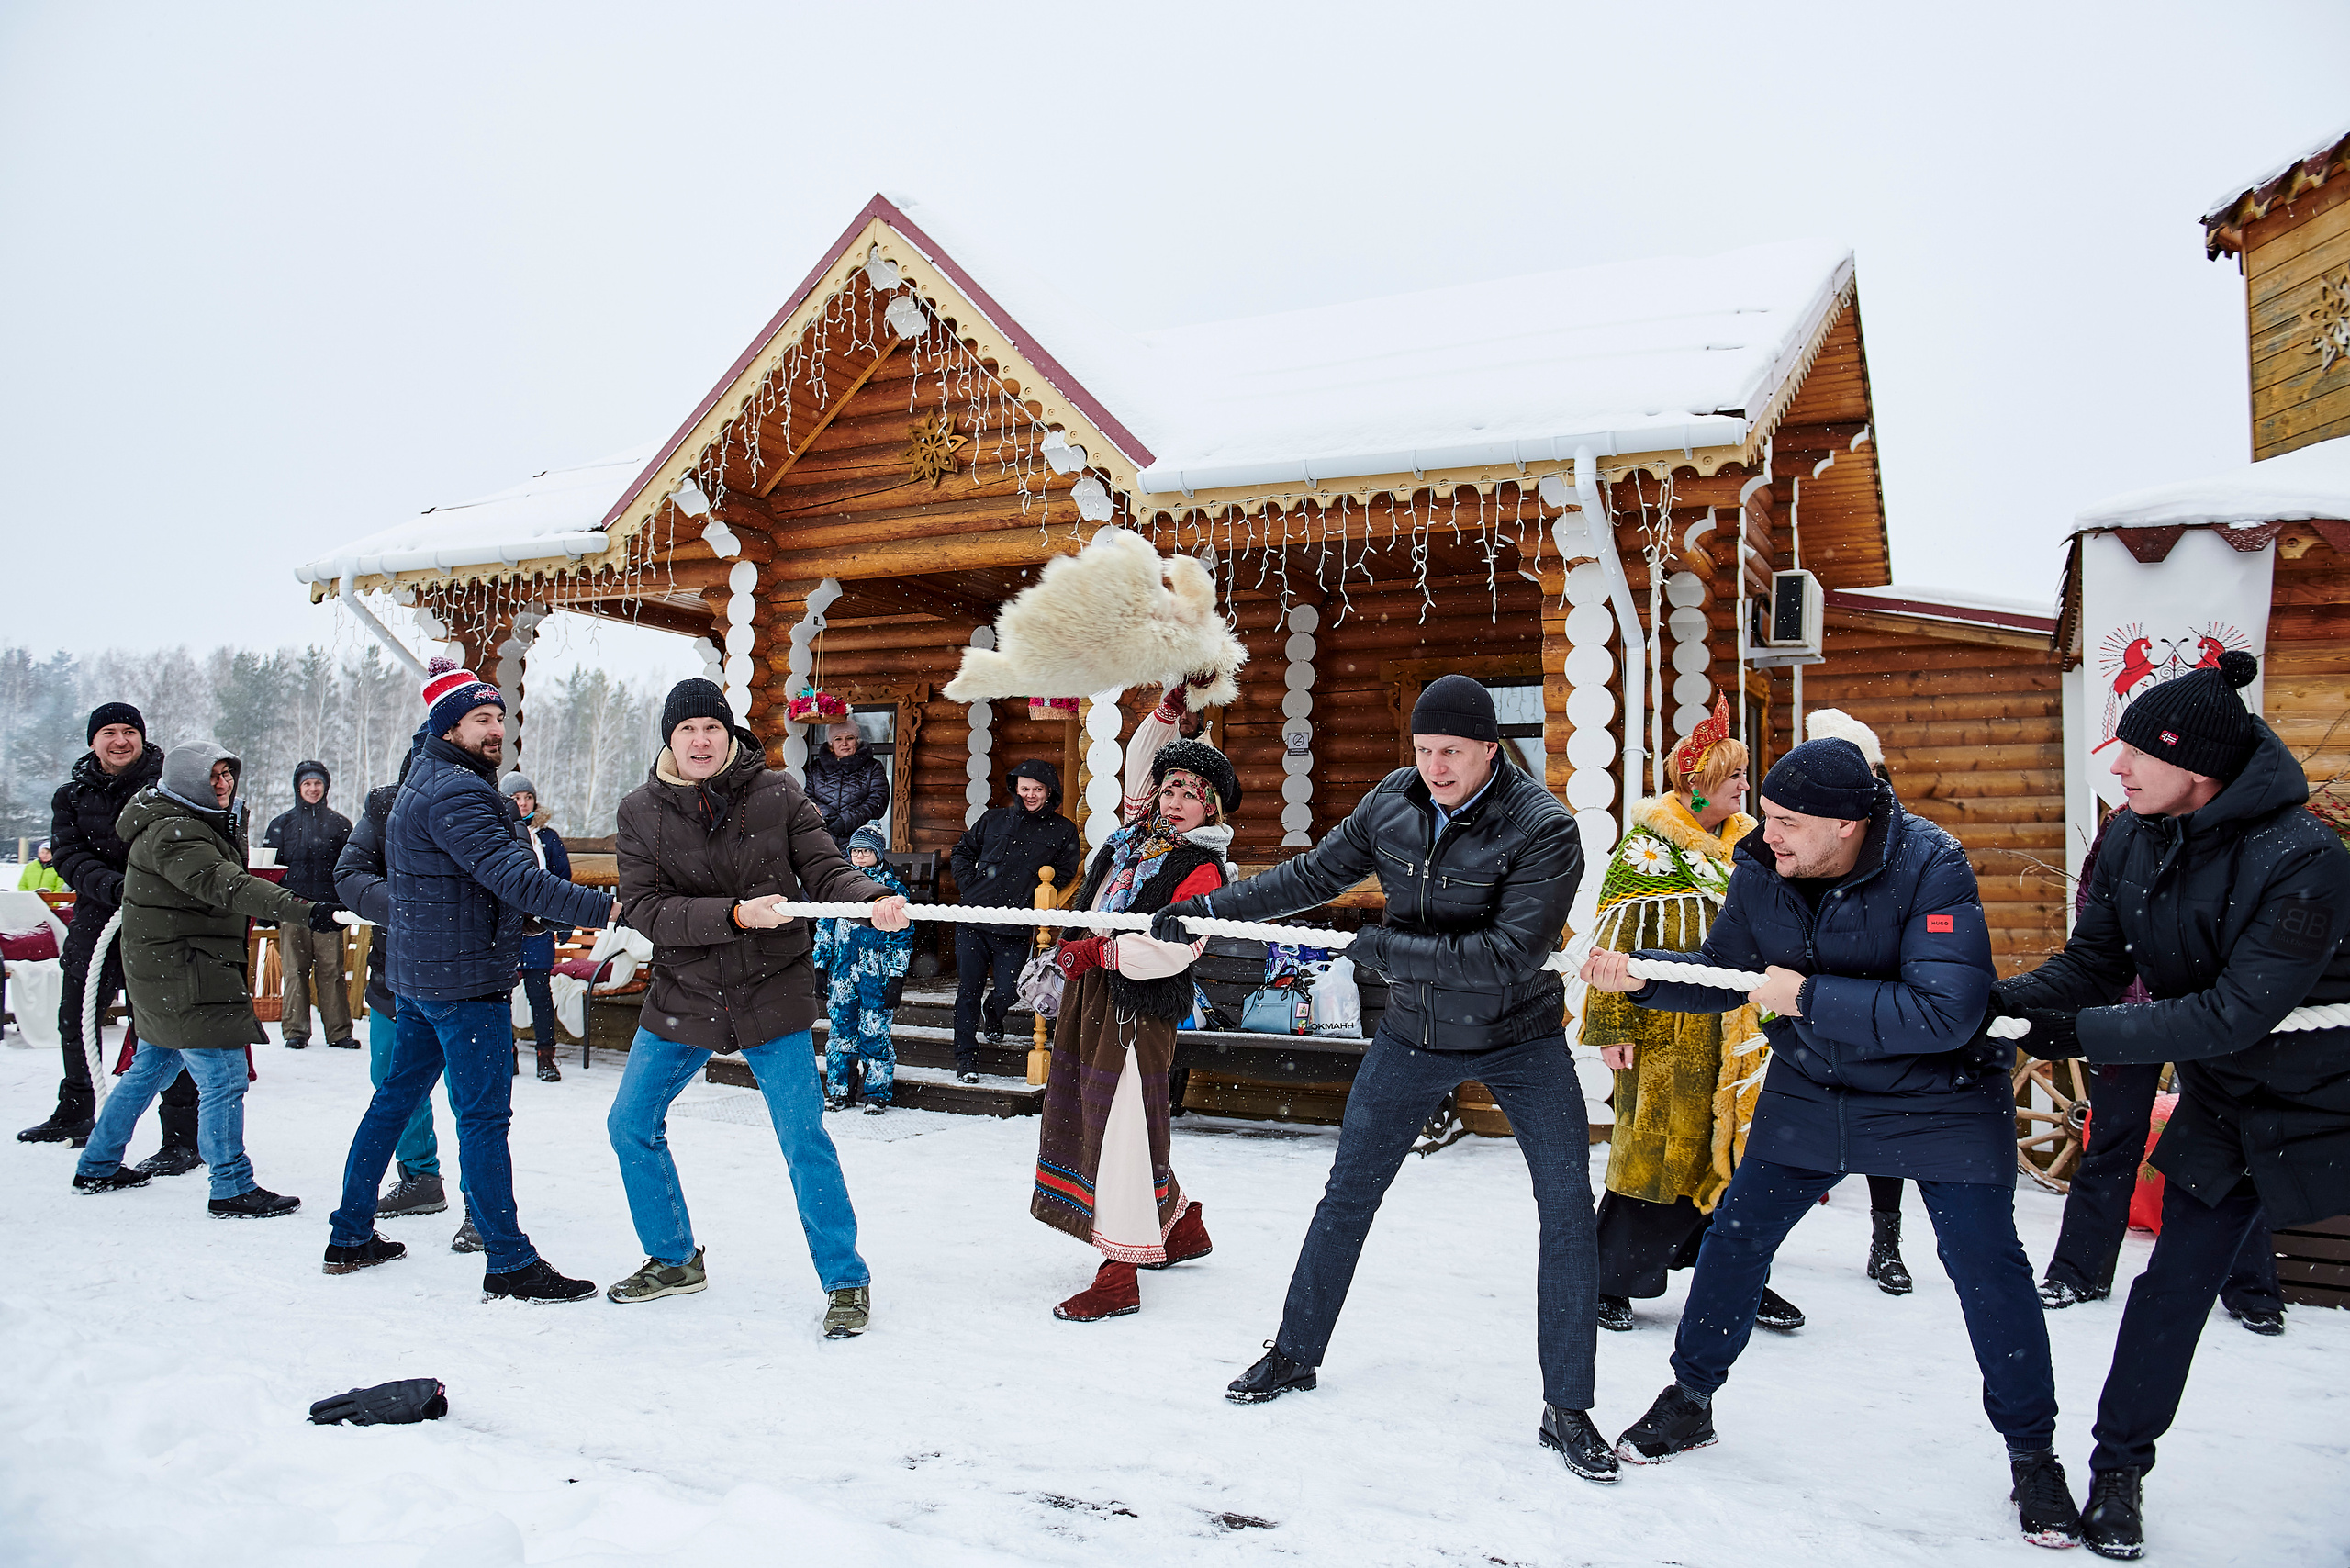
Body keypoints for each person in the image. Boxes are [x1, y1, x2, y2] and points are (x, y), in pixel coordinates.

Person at [1582, 736, 2080, 1547]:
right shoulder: (1762, 865)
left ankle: (2033, 1455)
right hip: (1816, 1085)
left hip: (1940, 1094)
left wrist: (1808, 995)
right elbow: (1727, 970)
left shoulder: (1931, 865)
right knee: (1735, 1239)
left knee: (1987, 1269)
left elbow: (1945, 1012)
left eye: (1784, 821)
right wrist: (1640, 975)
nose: (1763, 831)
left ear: (1847, 825)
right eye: (1765, 814)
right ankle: (1690, 1399)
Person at [1158, 675, 1611, 1483]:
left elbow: (1507, 955)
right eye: (1425, 750)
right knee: (1348, 1194)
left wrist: (1377, 951)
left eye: (1453, 753)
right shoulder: (1393, 801)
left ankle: (1568, 1408)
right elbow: (1308, 878)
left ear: (1490, 750)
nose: (1435, 767)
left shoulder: (1545, 828)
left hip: (1520, 1038)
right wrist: (1210, 909)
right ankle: (1294, 1354)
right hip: (1412, 1036)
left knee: (1568, 1210)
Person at [1986, 652, 2349, 1560]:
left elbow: (2230, 1013)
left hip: (2326, 1098)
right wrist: (2002, 1005)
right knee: (2172, 1287)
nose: (2117, 765)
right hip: (2229, 1102)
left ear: (2199, 768)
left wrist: (2066, 1038)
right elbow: (2092, 967)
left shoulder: (2303, 858)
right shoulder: (2131, 836)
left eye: (2138, 753)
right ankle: (2119, 1471)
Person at [604, 678, 909, 1330]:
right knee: (630, 1123)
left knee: (802, 1137)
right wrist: (736, 915)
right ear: (670, 739)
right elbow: (648, 908)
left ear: (729, 733)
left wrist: (869, 897)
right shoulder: (639, 811)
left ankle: (846, 1280)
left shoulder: (775, 793)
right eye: (686, 730)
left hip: (770, 989)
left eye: (710, 727)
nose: (700, 740)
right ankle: (673, 1257)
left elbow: (826, 870)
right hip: (685, 990)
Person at [321, 658, 616, 1299]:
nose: (494, 730)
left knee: (394, 1100)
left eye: (499, 719)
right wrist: (609, 907)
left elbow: (473, 885)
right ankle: (508, 1260)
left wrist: (521, 919)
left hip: (424, 979)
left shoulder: (426, 781)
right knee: (483, 1119)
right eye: (480, 718)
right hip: (463, 984)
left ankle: (349, 1234)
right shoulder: (458, 790)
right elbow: (512, 877)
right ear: (448, 726)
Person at [1580, 698, 1804, 1335]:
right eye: (1735, 776)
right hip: (1664, 1035)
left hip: (1740, 1035)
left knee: (1735, 1159)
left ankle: (1737, 1276)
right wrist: (1613, 1027)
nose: (1744, 786)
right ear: (1700, 782)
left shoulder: (1754, 849)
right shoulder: (1645, 850)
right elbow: (1611, 945)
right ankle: (1610, 1280)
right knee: (1653, 1156)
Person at [2035, 811, 2285, 1334]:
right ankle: (2078, 1273)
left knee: (2228, 1146)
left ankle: (2252, 1289)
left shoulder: (2230, 831)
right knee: (2110, 1143)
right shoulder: (2120, 834)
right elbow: (2094, 917)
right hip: (2128, 1015)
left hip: (2205, 1015)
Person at [1033, 680, 1231, 1323]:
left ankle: (1120, 1273)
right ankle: (1179, 1224)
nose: (1174, 800)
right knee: (1105, 1118)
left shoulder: (1203, 869)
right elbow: (1144, 752)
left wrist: (1096, 952)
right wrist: (1172, 703)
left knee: (1119, 1128)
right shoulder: (1134, 837)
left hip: (1136, 1007)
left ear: (1211, 811)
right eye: (1169, 788)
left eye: (1190, 795)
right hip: (1094, 999)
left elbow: (1175, 950)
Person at [72, 742, 332, 1216]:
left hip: (172, 969)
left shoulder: (192, 822)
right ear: (187, 780)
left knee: (150, 1069)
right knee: (224, 1078)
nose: (223, 784)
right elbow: (226, 884)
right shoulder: (175, 831)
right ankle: (231, 1186)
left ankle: (99, 1162)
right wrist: (309, 911)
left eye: (228, 775)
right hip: (187, 972)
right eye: (212, 776)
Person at [18, 703, 196, 1172]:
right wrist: (116, 888)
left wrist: (145, 889)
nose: (121, 741)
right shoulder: (72, 796)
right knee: (76, 1020)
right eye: (110, 733)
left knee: (164, 1028)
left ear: (143, 738)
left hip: (158, 923)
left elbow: (183, 845)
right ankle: (75, 1110)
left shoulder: (167, 787)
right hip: (96, 918)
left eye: (130, 732)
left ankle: (181, 1135)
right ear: (93, 741)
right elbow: (70, 855)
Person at [337, 734, 477, 1249]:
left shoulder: (480, 807)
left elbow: (516, 880)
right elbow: (350, 875)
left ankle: (479, 1207)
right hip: (396, 977)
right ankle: (419, 1178)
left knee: (474, 1102)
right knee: (393, 1088)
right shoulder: (383, 812)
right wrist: (412, 906)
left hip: (468, 980)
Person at [1804, 708, 1915, 1295]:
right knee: (1800, 1120)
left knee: (1886, 1125)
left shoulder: (1904, 837)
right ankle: (1751, 1242)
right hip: (1813, 994)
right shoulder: (1801, 827)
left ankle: (1886, 1242)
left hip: (1878, 996)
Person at [948, 756, 1080, 1081]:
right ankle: (966, 1058)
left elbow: (1065, 871)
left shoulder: (1063, 830)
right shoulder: (993, 820)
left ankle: (993, 1012)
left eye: (1038, 789)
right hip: (973, 919)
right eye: (1025, 788)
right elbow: (962, 851)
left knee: (1009, 990)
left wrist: (1036, 894)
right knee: (968, 989)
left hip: (1016, 925)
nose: (1031, 794)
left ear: (1049, 792)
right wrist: (969, 883)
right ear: (1016, 788)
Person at [815, 824, 913, 1114]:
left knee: (875, 1032)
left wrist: (897, 976)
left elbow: (902, 937)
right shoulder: (839, 888)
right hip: (843, 973)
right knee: (841, 1033)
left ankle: (876, 1093)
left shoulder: (892, 891)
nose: (859, 856)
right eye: (855, 851)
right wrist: (820, 967)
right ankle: (840, 1091)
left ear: (878, 853)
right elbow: (824, 927)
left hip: (877, 974)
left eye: (866, 851)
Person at [263, 760, 355, 1050]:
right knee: (294, 971)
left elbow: (349, 868)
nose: (313, 789)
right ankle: (295, 1031)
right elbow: (268, 869)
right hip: (292, 908)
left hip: (330, 910)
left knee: (332, 971)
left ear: (325, 787)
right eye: (307, 784)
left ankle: (339, 1032)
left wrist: (346, 905)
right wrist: (269, 907)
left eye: (318, 784)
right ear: (298, 788)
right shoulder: (281, 825)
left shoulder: (341, 825)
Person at [500, 772, 574, 1083]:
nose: (523, 802)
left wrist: (564, 920)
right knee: (500, 995)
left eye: (527, 797)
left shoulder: (547, 837)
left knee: (539, 994)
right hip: (504, 927)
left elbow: (561, 881)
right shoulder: (495, 833)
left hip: (539, 927)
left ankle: (546, 1057)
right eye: (516, 798)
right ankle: (507, 1054)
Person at [804, 720, 890, 851]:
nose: (844, 743)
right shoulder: (815, 769)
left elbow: (878, 801)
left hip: (860, 845)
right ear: (831, 744)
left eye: (849, 738)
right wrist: (828, 817)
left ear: (857, 741)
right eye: (838, 739)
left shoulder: (872, 767)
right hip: (823, 841)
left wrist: (846, 820)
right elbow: (807, 798)